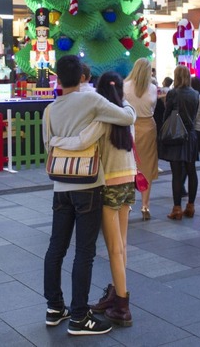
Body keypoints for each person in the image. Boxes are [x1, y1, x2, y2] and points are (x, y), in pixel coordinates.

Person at [43, 55, 136, 336]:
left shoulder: (50, 109)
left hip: (60, 188)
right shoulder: (93, 101)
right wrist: (123, 97)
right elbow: (127, 117)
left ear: (58, 79)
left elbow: (49, 146)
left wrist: (61, 142)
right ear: (83, 77)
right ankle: (80, 317)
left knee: (55, 248)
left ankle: (55, 308)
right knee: (84, 252)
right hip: (88, 186)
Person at [161, 66, 200, 220]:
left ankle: (177, 208)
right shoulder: (195, 94)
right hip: (191, 136)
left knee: (177, 174)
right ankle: (191, 206)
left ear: (176, 77)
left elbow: (167, 114)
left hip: (176, 136)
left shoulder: (172, 93)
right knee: (192, 172)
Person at [123, 58, 158, 220]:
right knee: (147, 166)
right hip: (148, 127)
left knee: (129, 165)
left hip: (129, 126)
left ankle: (128, 203)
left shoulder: (125, 86)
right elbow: (153, 108)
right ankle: (145, 206)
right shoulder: (152, 88)